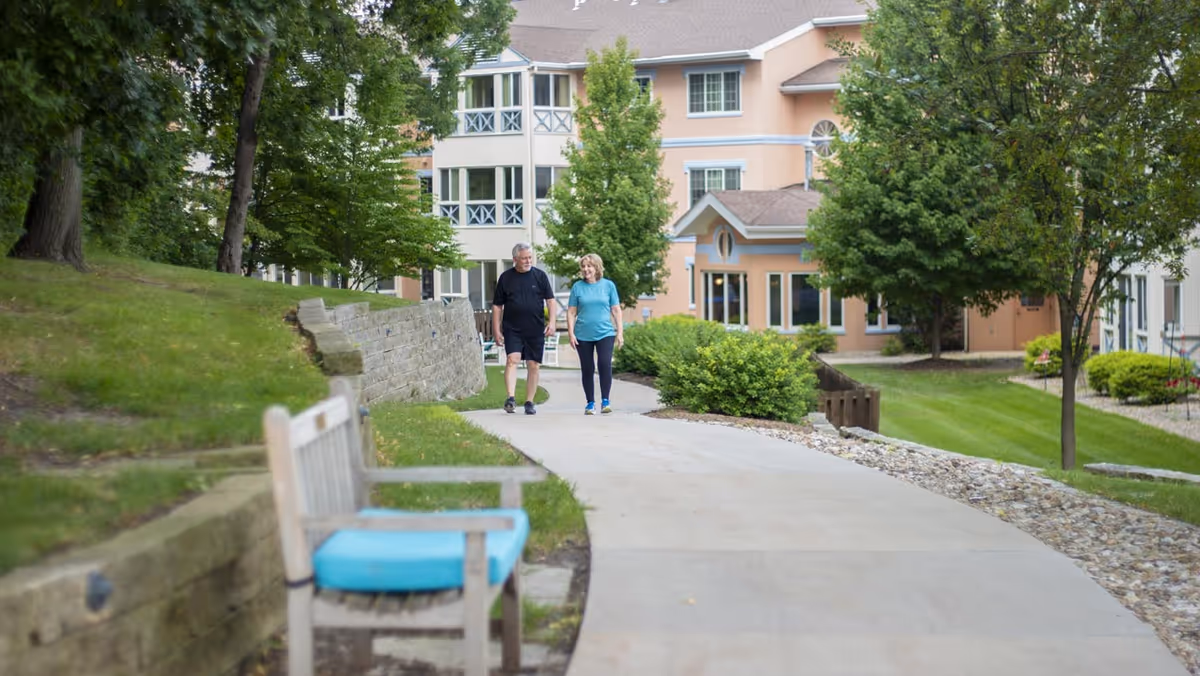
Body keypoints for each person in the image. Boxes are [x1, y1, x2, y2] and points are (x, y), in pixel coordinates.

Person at [492, 242, 557, 415]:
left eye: (530, 257)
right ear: (515, 259)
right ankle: (511, 398)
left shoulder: (540, 276)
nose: (528, 261)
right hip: (512, 328)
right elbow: (497, 306)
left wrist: (552, 322)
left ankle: (529, 401)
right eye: (524, 258)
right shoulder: (506, 278)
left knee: (533, 364)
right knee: (512, 360)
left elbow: (551, 300)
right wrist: (497, 330)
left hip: (535, 328)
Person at [566, 253, 623, 415]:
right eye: (583, 266)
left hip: (605, 332)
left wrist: (620, 332)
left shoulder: (608, 286)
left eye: (589, 266)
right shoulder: (577, 287)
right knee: (587, 368)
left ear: (597, 267)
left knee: (604, 364)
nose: (585, 269)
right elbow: (571, 312)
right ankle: (590, 403)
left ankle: (605, 400)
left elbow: (616, 310)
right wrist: (571, 333)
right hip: (582, 334)